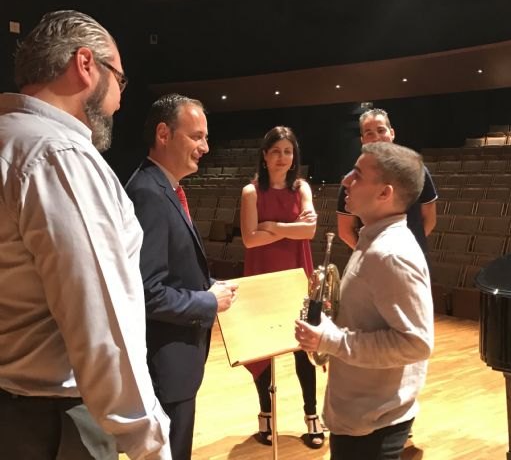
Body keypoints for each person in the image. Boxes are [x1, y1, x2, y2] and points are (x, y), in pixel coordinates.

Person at [0, 10, 171, 459]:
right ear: (85, 64)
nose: (118, 100)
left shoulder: (8, 140)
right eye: (119, 79)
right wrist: (150, 444)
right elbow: (101, 318)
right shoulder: (57, 155)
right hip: (49, 425)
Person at [295, 142, 435, 460]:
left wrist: (331, 340)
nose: (345, 180)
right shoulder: (372, 238)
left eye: (357, 175)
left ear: (385, 193)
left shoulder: (391, 253)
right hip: (360, 415)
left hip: (374, 424)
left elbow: (416, 343)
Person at [124, 93, 238, 460]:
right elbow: (147, 291)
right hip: (164, 365)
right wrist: (207, 301)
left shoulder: (164, 188)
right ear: (164, 133)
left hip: (175, 361)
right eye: (197, 136)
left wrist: (206, 287)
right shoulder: (149, 195)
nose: (206, 147)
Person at [240, 126, 325, 449]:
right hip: (262, 278)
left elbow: (311, 231)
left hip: (295, 277)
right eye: (275, 151)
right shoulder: (251, 192)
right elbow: (249, 239)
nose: (282, 157)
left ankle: (312, 418)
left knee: (304, 350)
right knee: (265, 350)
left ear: (294, 157)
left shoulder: (301, 187)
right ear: (264, 155)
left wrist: (272, 226)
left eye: (287, 151)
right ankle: (266, 416)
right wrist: (293, 229)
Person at [337, 108, 438, 253]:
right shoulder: (353, 180)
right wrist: (371, 253)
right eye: (369, 133)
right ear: (363, 140)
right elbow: (345, 230)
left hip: (412, 254)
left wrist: (406, 250)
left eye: (381, 130)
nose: (376, 137)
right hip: (371, 261)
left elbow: (429, 219)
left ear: (392, 133)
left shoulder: (419, 172)